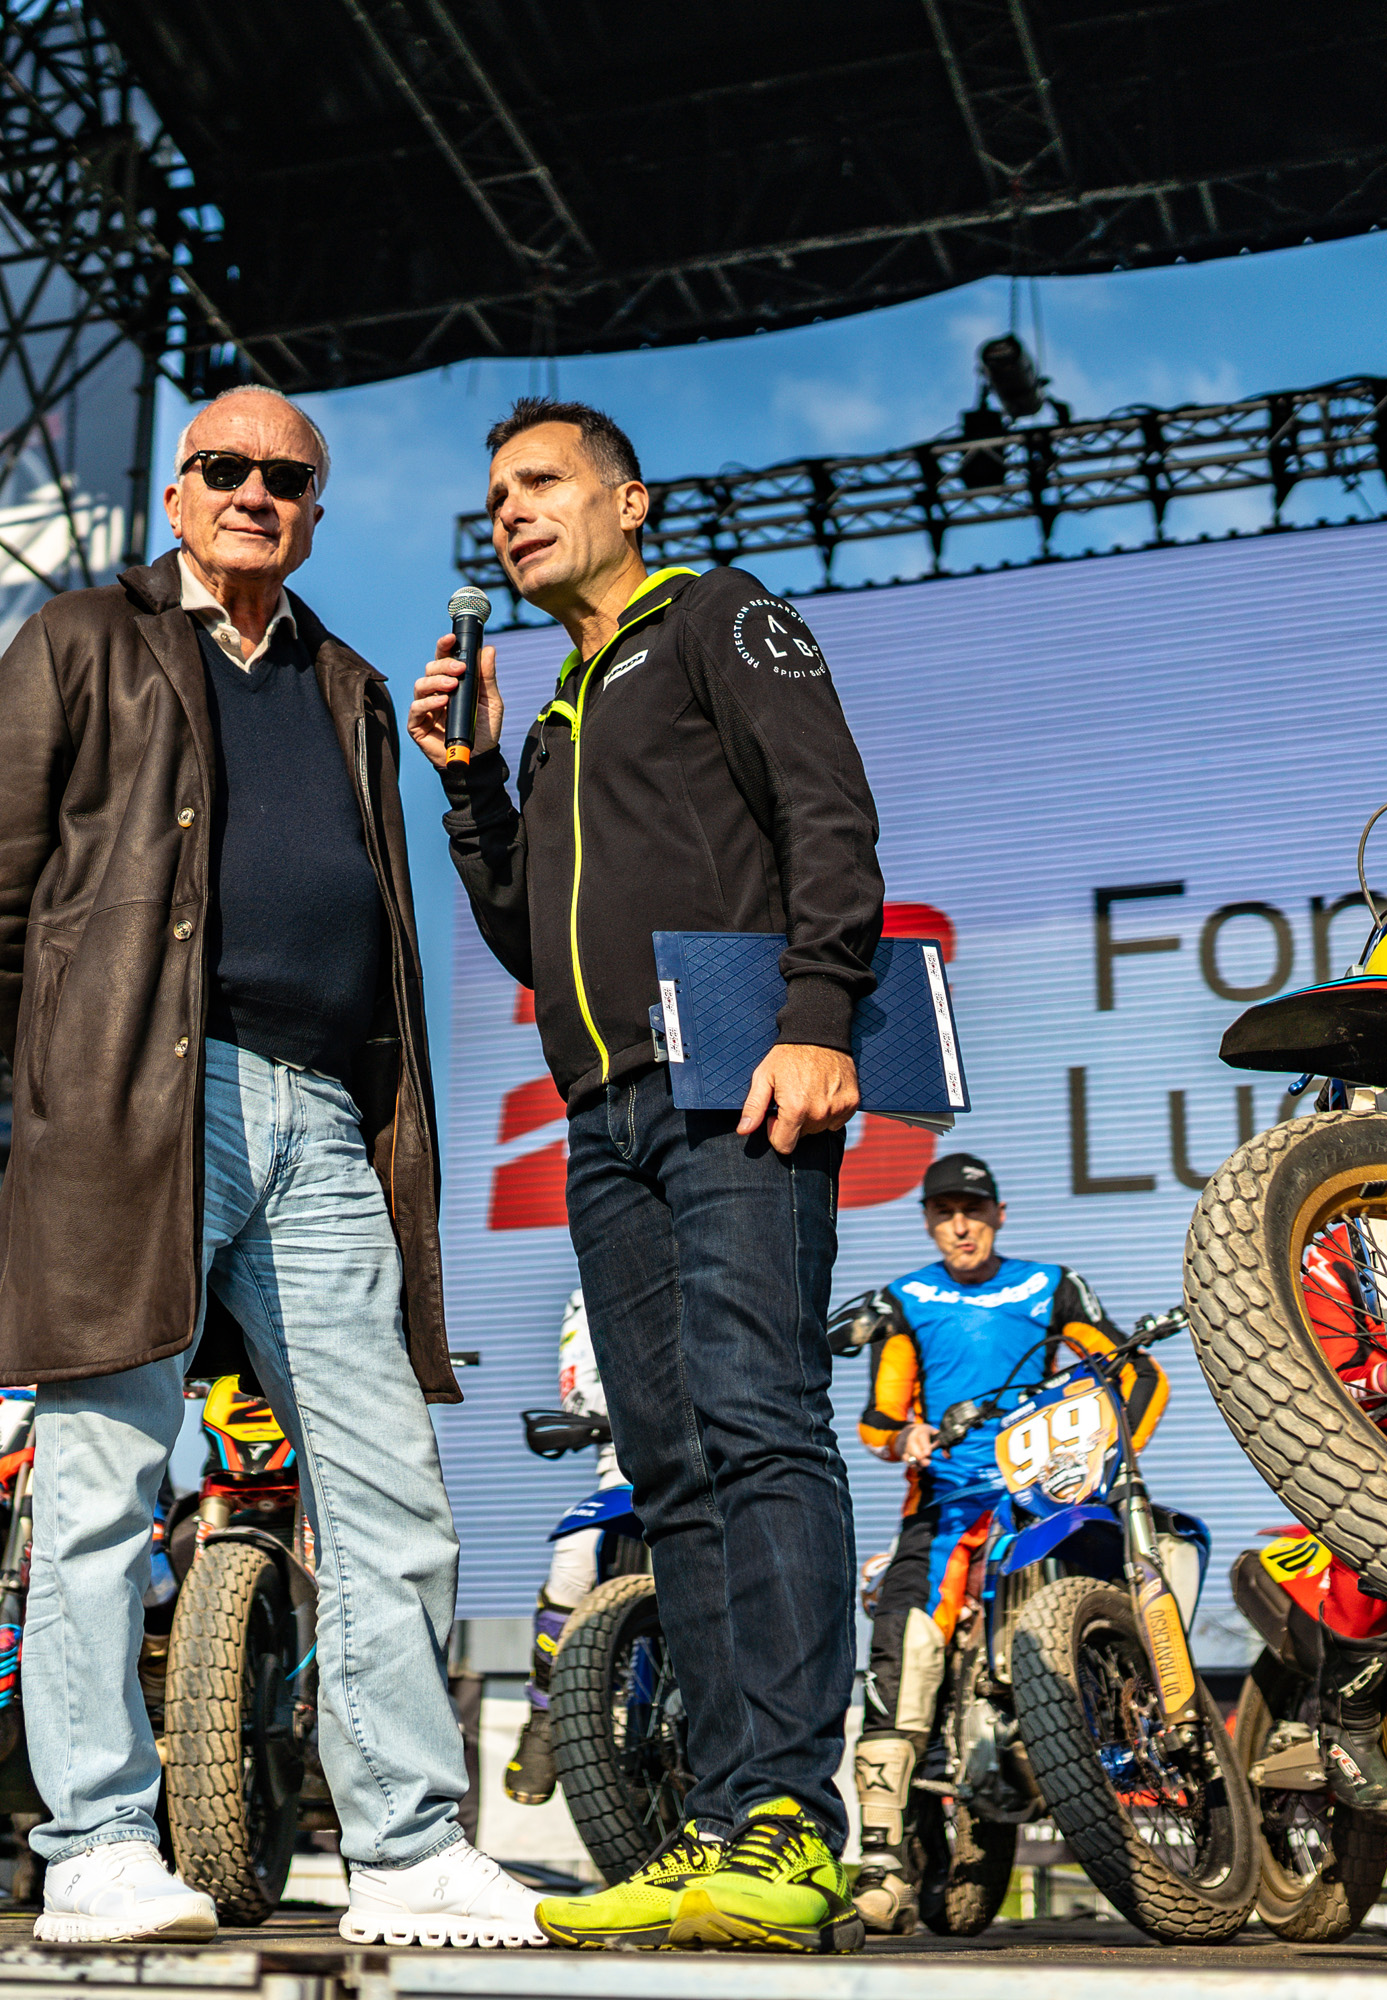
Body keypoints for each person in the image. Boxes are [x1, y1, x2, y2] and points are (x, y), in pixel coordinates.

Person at [0, 385, 541, 1949]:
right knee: (101, 1484)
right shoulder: (86, 636)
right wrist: (85, 1056)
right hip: (146, 1101)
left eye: (286, 475)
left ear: (316, 511)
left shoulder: (348, 680)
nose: (255, 491)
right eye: (225, 467)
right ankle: (95, 1846)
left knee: (389, 1486)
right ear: (179, 492)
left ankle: (407, 1846)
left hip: (323, 1114)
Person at [412, 397, 883, 1953]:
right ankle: (721, 1820)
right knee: (670, 1466)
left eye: (543, 482)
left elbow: (828, 812)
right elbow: (524, 941)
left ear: (630, 502)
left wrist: (817, 1016)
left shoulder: (714, 619)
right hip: (601, 1120)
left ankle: (791, 1823)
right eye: (497, 494)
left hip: (736, 1078)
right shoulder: (554, 716)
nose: (511, 511)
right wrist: (475, 783)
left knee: (758, 1422)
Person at [846, 1154, 1127, 1933]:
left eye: (973, 1209)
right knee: (907, 1649)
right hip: (944, 1504)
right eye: (944, 1212)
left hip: (1041, 1495)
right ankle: (881, 1863)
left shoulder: (1051, 1285)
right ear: (928, 1221)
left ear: (1000, 1214)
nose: (960, 1225)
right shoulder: (907, 1298)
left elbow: (1129, 1374)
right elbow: (878, 1417)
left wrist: (1103, 1458)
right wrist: (903, 1436)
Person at [504, 1288, 617, 1805]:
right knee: (577, 1551)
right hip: (627, 1464)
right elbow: (579, 1398)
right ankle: (545, 1714)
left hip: (728, 1456)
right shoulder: (591, 1293)